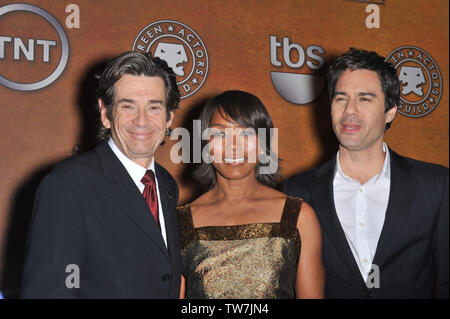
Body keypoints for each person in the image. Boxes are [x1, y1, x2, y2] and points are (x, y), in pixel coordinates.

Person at [284, 48, 449, 298]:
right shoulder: (297, 190)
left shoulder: (436, 185)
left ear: (390, 111)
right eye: (341, 98)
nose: (350, 110)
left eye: (365, 99)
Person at [21, 52, 181, 298]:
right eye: (128, 106)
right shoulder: (68, 185)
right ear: (105, 114)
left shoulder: (167, 184)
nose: (141, 120)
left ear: (169, 118)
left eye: (154, 107)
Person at [177, 90, 324, 299]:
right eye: (219, 134)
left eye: (246, 133)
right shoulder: (180, 222)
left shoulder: (298, 216)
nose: (233, 146)